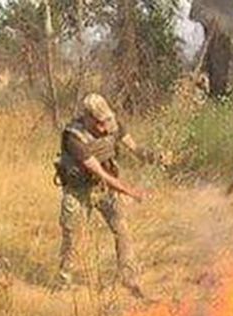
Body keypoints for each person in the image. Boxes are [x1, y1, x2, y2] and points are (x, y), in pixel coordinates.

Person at [53, 93, 160, 299]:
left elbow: (136, 150)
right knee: (73, 236)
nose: (105, 128)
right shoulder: (74, 137)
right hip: (79, 190)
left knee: (122, 229)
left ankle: (128, 278)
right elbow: (99, 172)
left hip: (105, 189)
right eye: (100, 123)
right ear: (88, 118)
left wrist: (154, 157)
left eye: (106, 121)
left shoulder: (112, 125)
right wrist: (131, 191)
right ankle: (64, 282)